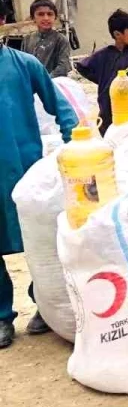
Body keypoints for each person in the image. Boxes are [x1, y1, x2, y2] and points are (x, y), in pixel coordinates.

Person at [1, 39, 77, 348]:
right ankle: (2, 316)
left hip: (24, 173)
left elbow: (61, 107)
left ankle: (44, 304)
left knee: (41, 243)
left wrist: (75, 146)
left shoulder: (24, 64)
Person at [20, 0, 71, 78]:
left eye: (50, 14)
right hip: (31, 84)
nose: (46, 18)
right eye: (41, 14)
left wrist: (45, 81)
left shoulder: (61, 40)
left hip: (53, 84)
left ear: (55, 17)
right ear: (33, 18)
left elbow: (63, 67)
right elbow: (23, 64)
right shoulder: (27, 39)